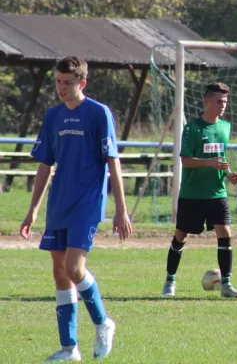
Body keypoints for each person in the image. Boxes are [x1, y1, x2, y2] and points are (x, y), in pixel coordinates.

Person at [19, 56, 133, 362]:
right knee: (59, 273)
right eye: (57, 81)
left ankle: (103, 322)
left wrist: (121, 209)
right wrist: (33, 210)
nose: (61, 88)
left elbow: (113, 162)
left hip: (87, 203)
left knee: (73, 268)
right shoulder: (53, 116)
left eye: (67, 83)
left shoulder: (99, 113)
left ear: (82, 83)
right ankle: (69, 348)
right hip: (59, 203)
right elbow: (45, 164)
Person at [162, 82, 237, 299]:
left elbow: (221, 159)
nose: (223, 105)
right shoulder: (192, 128)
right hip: (192, 194)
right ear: (206, 101)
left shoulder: (225, 127)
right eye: (219, 101)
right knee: (181, 235)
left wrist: (229, 175)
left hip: (217, 193)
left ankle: (226, 284)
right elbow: (186, 160)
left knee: (225, 233)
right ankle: (170, 280)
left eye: (225, 101)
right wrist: (209, 163)